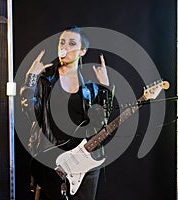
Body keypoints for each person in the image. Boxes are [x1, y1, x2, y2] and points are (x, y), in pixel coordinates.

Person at [20, 26, 115, 200]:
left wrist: (105, 88)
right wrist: (31, 78)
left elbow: (102, 125)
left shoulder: (90, 89)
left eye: (72, 43)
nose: (65, 47)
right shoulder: (45, 80)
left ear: (82, 51)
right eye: (62, 42)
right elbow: (29, 113)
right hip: (50, 162)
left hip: (82, 163)